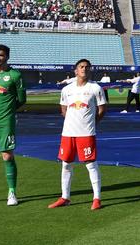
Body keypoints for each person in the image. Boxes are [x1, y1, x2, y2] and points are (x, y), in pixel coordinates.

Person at [48, 59, 107, 210]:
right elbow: (63, 110)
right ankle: (65, 197)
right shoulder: (66, 90)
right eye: (81, 67)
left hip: (86, 133)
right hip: (68, 133)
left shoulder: (96, 88)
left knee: (91, 165)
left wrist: (91, 124)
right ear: (76, 70)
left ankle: (97, 198)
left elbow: (101, 110)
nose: (84, 69)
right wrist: (72, 122)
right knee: (66, 164)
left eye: (87, 67)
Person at [0, 44, 26, 206]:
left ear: (7, 57)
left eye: (1, 55)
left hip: (5, 121)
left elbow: (21, 100)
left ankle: (12, 192)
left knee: (7, 156)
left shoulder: (15, 75)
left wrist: (8, 112)